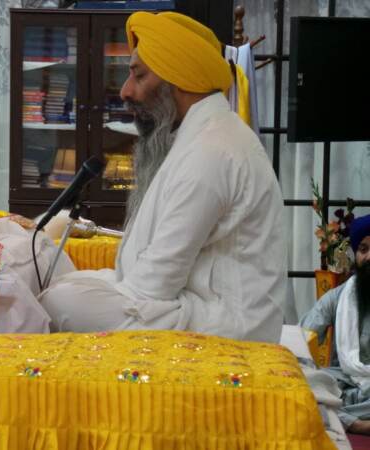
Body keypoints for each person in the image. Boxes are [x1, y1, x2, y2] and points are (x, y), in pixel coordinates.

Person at [39, 11, 296, 342]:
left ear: (178, 81)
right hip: (189, 304)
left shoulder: (212, 151)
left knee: (60, 301)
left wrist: (91, 291)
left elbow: (153, 285)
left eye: (139, 76)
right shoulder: (199, 136)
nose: (125, 91)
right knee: (57, 277)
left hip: (226, 329)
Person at [300, 215, 370, 435]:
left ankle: (339, 417)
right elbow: (301, 339)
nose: (369, 257)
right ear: (355, 255)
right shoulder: (338, 298)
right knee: (301, 384)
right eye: (364, 249)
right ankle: (358, 423)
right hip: (343, 380)